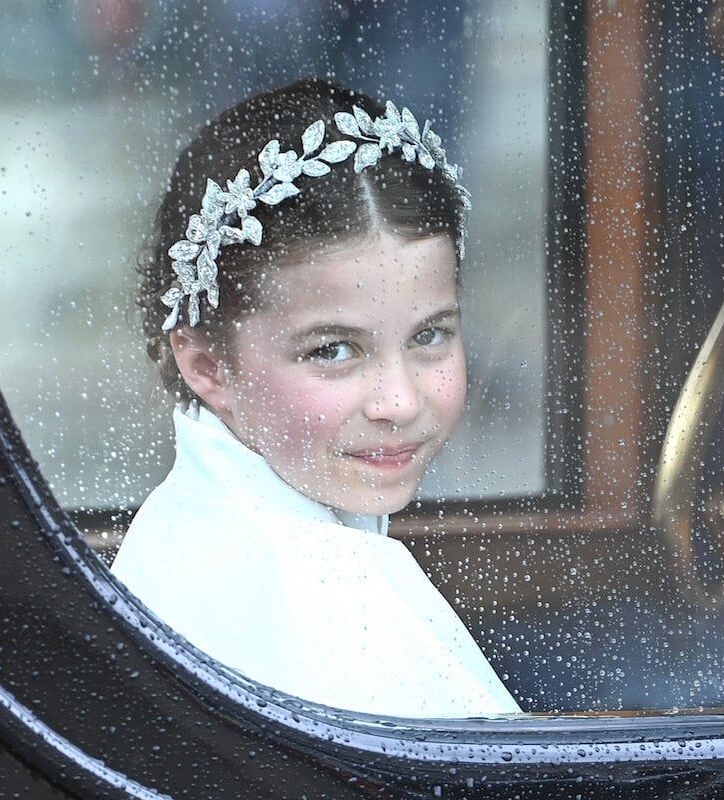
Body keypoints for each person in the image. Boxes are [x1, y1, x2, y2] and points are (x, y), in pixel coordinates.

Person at [111, 79, 520, 717]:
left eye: (430, 336)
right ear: (207, 364)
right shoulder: (321, 600)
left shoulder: (198, 523)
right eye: (333, 350)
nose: (399, 402)